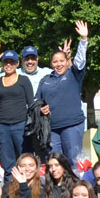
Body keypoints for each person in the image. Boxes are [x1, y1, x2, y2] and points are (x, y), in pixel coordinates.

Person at [35, 21, 90, 162]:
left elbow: (80, 61)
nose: (58, 64)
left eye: (61, 61)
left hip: (72, 125)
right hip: (52, 129)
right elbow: (37, 101)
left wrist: (83, 40)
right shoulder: (45, 80)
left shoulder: (73, 74)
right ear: (51, 64)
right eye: (55, 62)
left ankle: (76, 185)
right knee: (55, 163)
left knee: (74, 162)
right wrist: (41, 108)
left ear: (67, 61)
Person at [0, 47, 34, 174]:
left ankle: (28, 189)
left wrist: (32, 125)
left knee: (25, 160)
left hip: (21, 125)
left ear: (17, 64)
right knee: (7, 162)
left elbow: (31, 104)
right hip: (2, 127)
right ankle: (10, 189)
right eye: (6, 62)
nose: (9, 65)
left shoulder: (24, 80)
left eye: (12, 62)